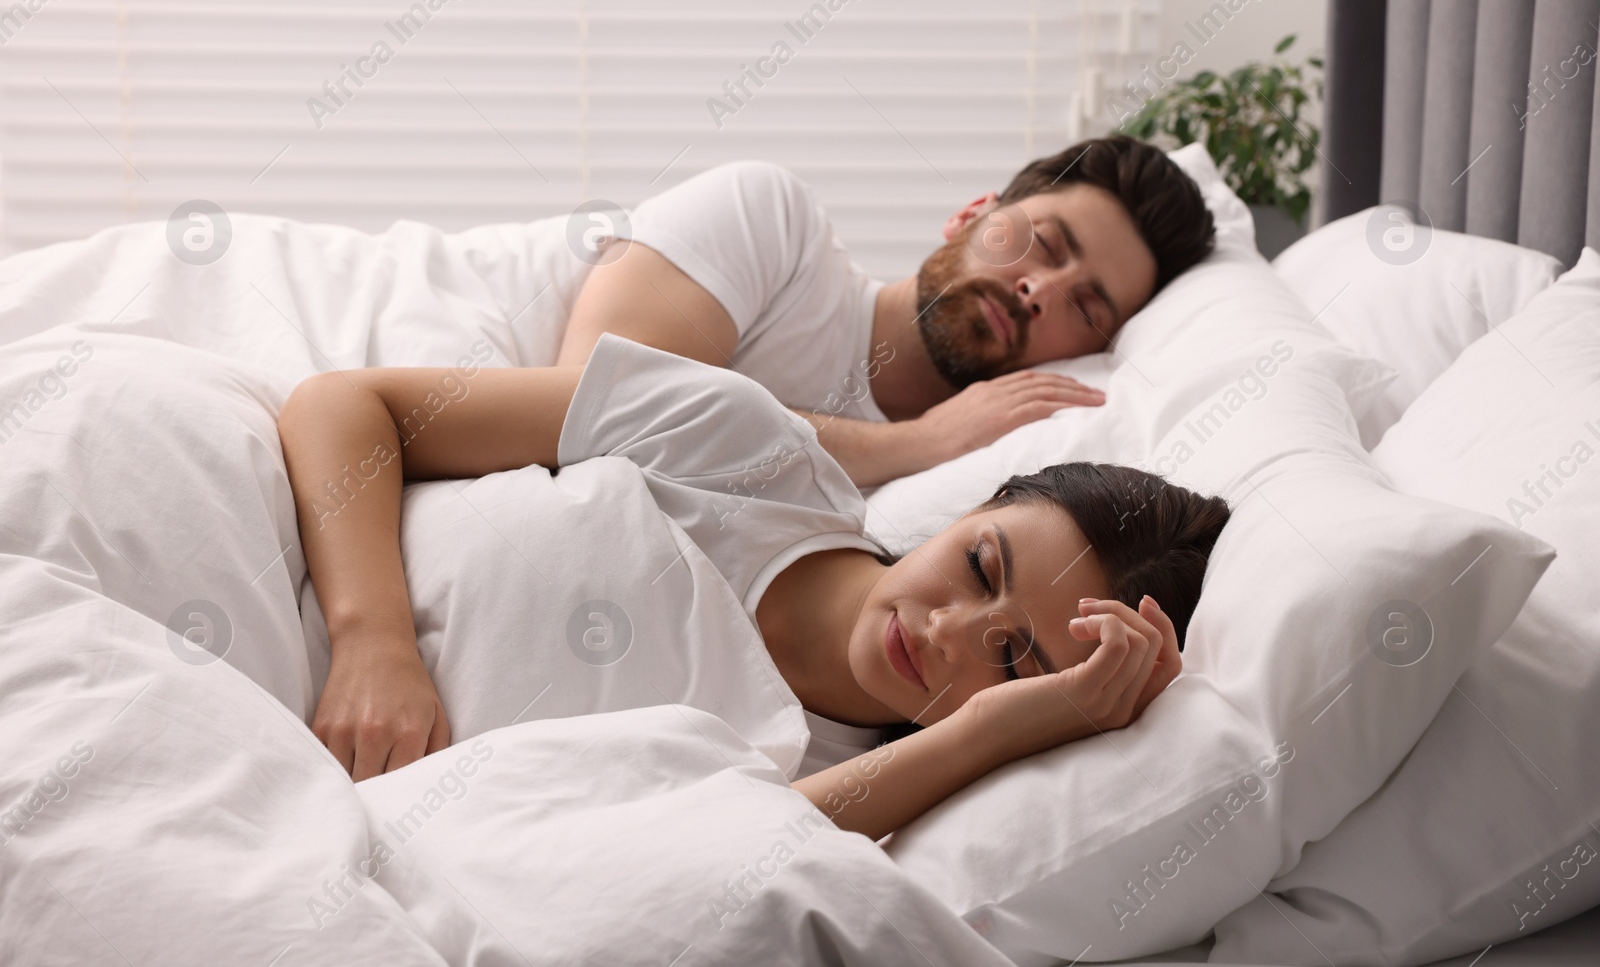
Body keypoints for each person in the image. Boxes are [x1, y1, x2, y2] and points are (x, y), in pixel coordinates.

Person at [277, 334, 1230, 840]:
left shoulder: (843, 794)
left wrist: (988, 732)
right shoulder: (742, 446)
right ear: (973, 507)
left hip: (294, 782)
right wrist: (373, 640)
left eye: (1014, 658)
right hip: (280, 555)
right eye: (982, 565)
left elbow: (708, 858)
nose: (948, 630)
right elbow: (348, 404)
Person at [556, 134, 1216, 486]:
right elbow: (594, 413)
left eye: (1086, 308)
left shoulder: (970, 479)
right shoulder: (771, 222)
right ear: (971, 215)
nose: (1038, 291)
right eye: (1041, 245)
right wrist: (911, 443)